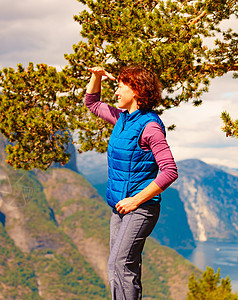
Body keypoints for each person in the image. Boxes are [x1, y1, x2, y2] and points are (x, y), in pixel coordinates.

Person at [85, 66, 178, 300]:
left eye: (120, 87)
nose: (116, 92)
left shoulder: (150, 127)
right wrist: (96, 76)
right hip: (120, 207)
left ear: (136, 90)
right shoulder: (121, 119)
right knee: (120, 267)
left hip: (140, 208)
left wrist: (135, 200)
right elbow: (92, 103)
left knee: (120, 264)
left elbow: (169, 171)